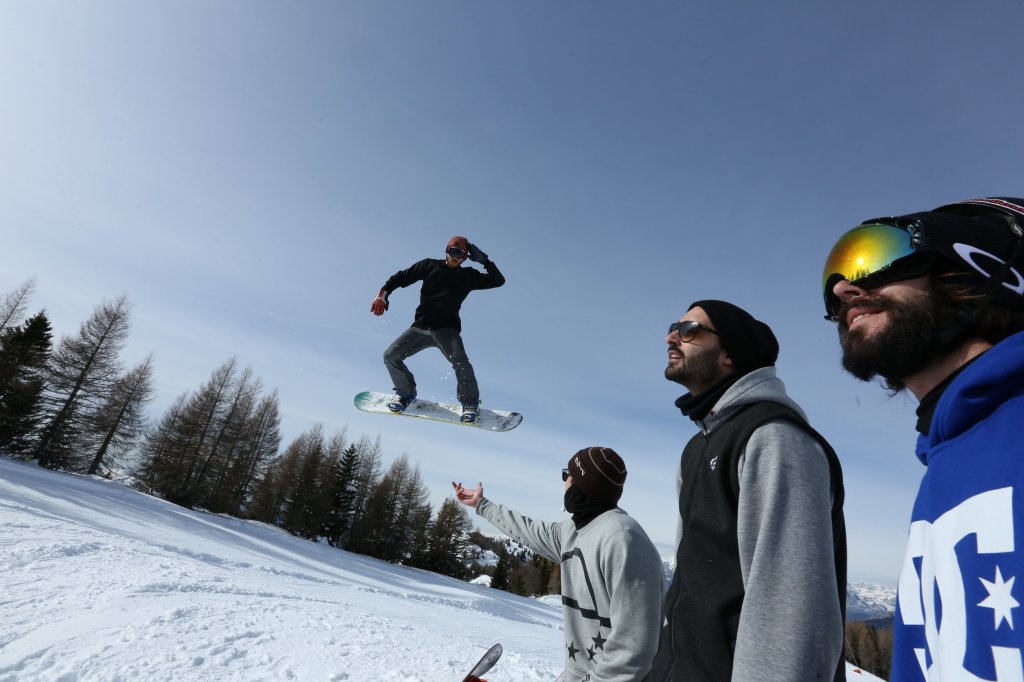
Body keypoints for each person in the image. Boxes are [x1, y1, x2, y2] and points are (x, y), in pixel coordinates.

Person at [822, 196, 1024, 680]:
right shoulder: (945, 457)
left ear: (983, 265)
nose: (845, 288)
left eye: (872, 255)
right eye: (831, 283)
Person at [647, 300, 846, 682]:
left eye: (689, 329)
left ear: (728, 354)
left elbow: (792, 615)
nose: (671, 336)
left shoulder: (774, 439)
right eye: (675, 326)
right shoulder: (698, 448)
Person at [453, 446, 665, 681]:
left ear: (579, 483)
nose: (564, 481)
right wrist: (482, 505)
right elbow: (529, 530)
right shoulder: (574, 530)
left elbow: (632, 650)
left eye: (567, 474)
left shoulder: (623, 539)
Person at [370, 236, 504, 423]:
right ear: (446, 251)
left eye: (461, 255)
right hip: (420, 328)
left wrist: (486, 262)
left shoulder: (468, 276)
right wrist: (382, 295)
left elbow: (498, 281)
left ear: (466, 257)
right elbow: (401, 277)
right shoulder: (429, 266)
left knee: (461, 363)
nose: (455, 258)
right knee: (390, 356)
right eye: (453, 252)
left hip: (447, 331)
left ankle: (470, 404)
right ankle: (405, 394)